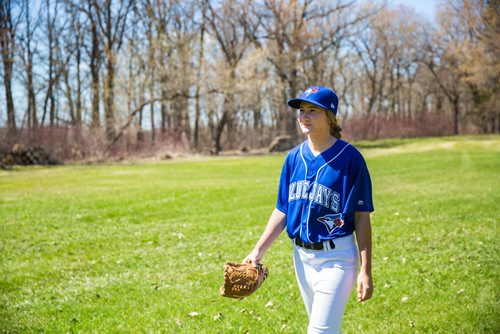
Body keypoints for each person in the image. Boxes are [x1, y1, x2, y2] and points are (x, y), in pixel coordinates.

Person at [244, 86, 374, 334]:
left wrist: (366, 271)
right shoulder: (293, 158)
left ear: (330, 116)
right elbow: (282, 209)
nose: (304, 116)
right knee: (324, 329)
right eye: (302, 111)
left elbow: (361, 218)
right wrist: (258, 250)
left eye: (312, 110)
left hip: (337, 258)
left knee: (319, 331)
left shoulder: (350, 159)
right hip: (302, 259)